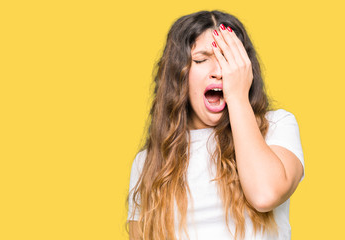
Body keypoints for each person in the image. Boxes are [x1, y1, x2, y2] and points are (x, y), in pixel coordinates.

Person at [126, 10, 305, 240]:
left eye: (228, 60)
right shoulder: (149, 162)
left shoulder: (277, 127)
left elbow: (265, 194)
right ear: (179, 75)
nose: (219, 72)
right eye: (201, 60)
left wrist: (238, 97)